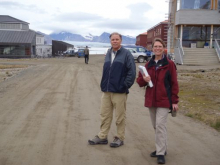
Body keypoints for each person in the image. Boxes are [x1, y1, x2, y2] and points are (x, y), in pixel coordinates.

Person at [88, 32, 136, 148]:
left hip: (119, 91)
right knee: (105, 114)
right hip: (107, 90)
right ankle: (102, 136)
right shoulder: (109, 53)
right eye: (113, 39)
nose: (114, 41)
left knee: (120, 116)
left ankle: (120, 137)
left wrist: (124, 86)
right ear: (110, 41)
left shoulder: (126, 54)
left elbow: (132, 72)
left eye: (117, 39)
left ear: (121, 40)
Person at [136, 38, 179, 164]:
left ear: (163, 48)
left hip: (164, 100)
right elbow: (139, 82)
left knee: (160, 125)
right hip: (151, 100)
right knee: (156, 126)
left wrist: (175, 101)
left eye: (160, 46)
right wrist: (144, 78)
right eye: (155, 46)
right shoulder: (148, 65)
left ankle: (160, 153)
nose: (157, 48)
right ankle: (162, 148)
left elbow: (174, 83)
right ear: (152, 48)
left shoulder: (169, 64)